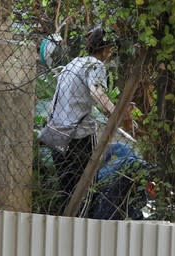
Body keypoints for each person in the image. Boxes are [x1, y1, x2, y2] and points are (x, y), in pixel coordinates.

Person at [43, 27, 132, 213]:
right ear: (107, 49)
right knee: (85, 193)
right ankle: (81, 234)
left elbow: (53, 103)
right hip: (78, 137)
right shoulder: (95, 65)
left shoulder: (73, 63)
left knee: (67, 192)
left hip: (56, 135)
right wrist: (117, 113)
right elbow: (97, 92)